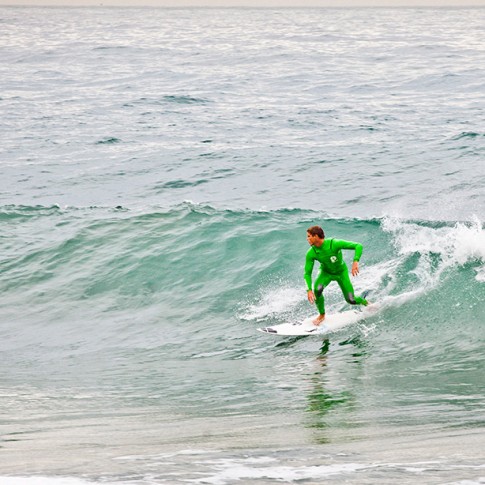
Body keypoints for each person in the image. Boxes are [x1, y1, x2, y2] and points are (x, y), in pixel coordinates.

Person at [304, 225, 369, 325]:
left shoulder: (334, 243)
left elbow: (358, 246)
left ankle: (366, 303)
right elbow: (307, 273)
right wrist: (308, 290)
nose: (307, 238)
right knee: (317, 289)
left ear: (316, 236)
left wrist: (356, 261)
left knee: (351, 300)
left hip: (341, 273)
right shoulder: (311, 253)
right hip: (326, 273)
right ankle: (322, 315)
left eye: (309, 236)